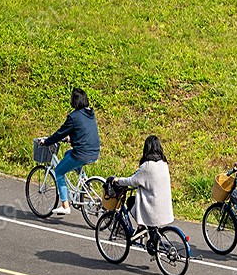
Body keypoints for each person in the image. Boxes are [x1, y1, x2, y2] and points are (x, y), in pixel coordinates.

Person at [36, 87, 100, 215]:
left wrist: (47, 141)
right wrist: (71, 138)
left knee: (59, 171)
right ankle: (86, 182)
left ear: (74, 101)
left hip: (81, 154)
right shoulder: (90, 114)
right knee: (67, 154)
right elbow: (85, 132)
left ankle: (65, 205)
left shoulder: (73, 117)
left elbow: (60, 133)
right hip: (94, 152)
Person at [108, 135, 174, 248]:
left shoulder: (147, 166)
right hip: (164, 205)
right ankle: (148, 234)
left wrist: (118, 180)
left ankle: (141, 227)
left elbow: (132, 180)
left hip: (153, 208)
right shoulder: (163, 163)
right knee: (152, 227)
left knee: (130, 201)